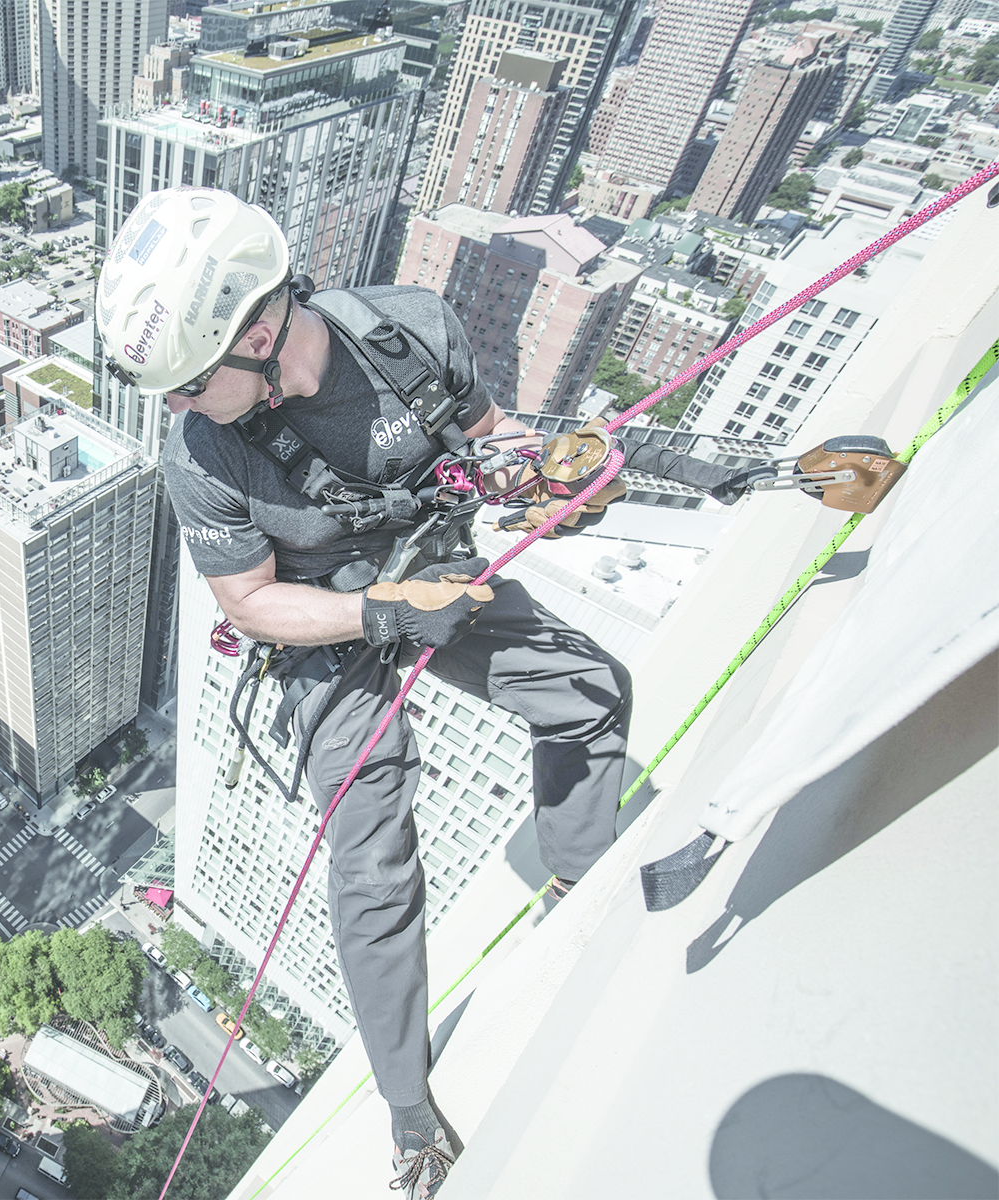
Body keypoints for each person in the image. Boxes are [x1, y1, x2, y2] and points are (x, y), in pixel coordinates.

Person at [95, 188, 791, 1198]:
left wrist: (554, 487)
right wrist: (378, 615)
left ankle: (578, 879)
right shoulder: (204, 451)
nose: (175, 406)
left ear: (257, 334)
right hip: (328, 630)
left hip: (427, 568)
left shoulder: (406, 334)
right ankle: (411, 1118)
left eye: (188, 383)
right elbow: (249, 601)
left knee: (590, 690)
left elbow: (492, 443)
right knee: (374, 866)